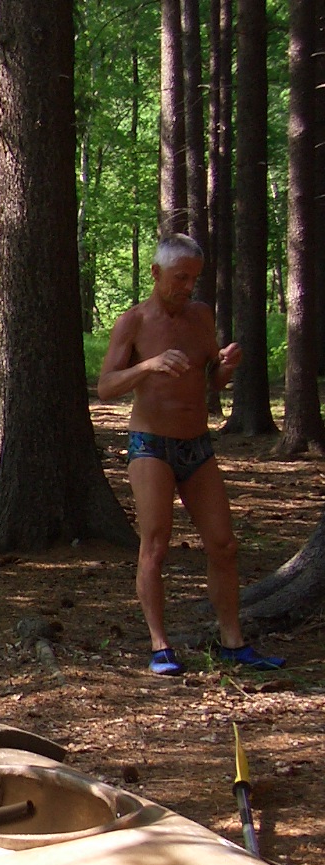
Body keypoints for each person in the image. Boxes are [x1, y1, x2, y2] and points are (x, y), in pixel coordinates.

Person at [97, 233, 283, 676]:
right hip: (151, 445)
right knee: (155, 544)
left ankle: (233, 642)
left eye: (193, 279)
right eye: (180, 277)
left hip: (197, 445)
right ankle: (160, 646)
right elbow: (105, 387)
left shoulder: (201, 316)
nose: (187, 287)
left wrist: (226, 366)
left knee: (223, 544)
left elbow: (211, 379)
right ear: (156, 273)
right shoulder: (133, 322)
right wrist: (148, 365)